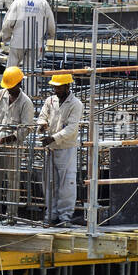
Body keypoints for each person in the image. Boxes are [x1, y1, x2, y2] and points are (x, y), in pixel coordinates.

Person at [0, 66, 35, 221]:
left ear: (19, 84)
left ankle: (11, 215)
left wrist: (8, 138)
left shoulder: (26, 103)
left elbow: (26, 128)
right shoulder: (0, 95)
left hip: (14, 145)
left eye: (12, 86)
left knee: (12, 179)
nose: (9, 89)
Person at [38, 73, 84, 226]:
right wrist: (42, 124)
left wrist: (53, 138)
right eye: (55, 87)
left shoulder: (75, 104)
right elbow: (42, 116)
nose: (56, 90)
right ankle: (50, 214)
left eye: (59, 87)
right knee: (50, 182)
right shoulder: (50, 101)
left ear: (67, 86)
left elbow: (71, 128)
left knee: (66, 183)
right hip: (50, 148)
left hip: (66, 148)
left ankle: (65, 217)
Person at [0, 0, 56, 93]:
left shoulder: (18, 1)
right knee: (30, 71)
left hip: (17, 42)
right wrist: (51, 36)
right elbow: (51, 24)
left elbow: (8, 23)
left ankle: (7, 92)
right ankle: (31, 95)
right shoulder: (43, 3)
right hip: (35, 44)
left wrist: (4, 37)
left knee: (11, 69)